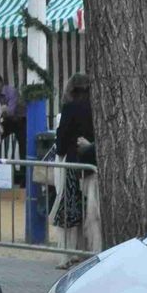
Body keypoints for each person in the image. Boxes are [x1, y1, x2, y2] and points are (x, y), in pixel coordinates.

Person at [53, 73, 99, 256]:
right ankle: (94, 250)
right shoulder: (99, 107)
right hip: (96, 166)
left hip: (74, 166)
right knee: (94, 213)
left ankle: (69, 253)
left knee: (71, 211)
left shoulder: (70, 108)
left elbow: (61, 144)